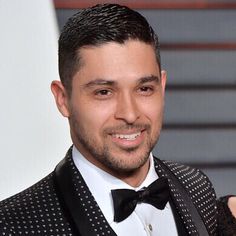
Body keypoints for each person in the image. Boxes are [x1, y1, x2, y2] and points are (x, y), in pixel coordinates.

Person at [0, 3, 218, 235]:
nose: (130, 114)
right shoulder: (14, 225)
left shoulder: (197, 187)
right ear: (63, 99)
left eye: (144, 88)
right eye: (104, 92)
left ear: (161, 88)